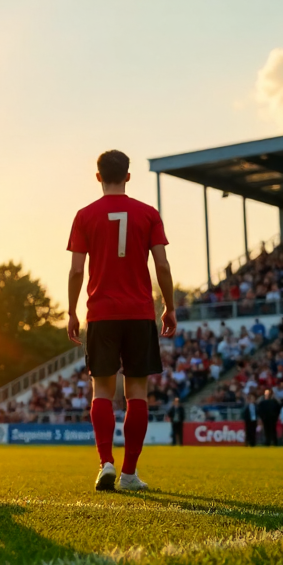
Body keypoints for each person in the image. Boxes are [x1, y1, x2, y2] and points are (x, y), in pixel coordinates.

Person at [66, 150, 176, 491]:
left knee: (101, 390)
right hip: (140, 312)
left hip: (101, 313)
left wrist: (70, 311)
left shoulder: (85, 215)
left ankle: (106, 464)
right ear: (128, 176)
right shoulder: (148, 213)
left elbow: (75, 270)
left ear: (98, 177)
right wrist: (169, 307)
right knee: (137, 392)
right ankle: (129, 473)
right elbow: (163, 266)